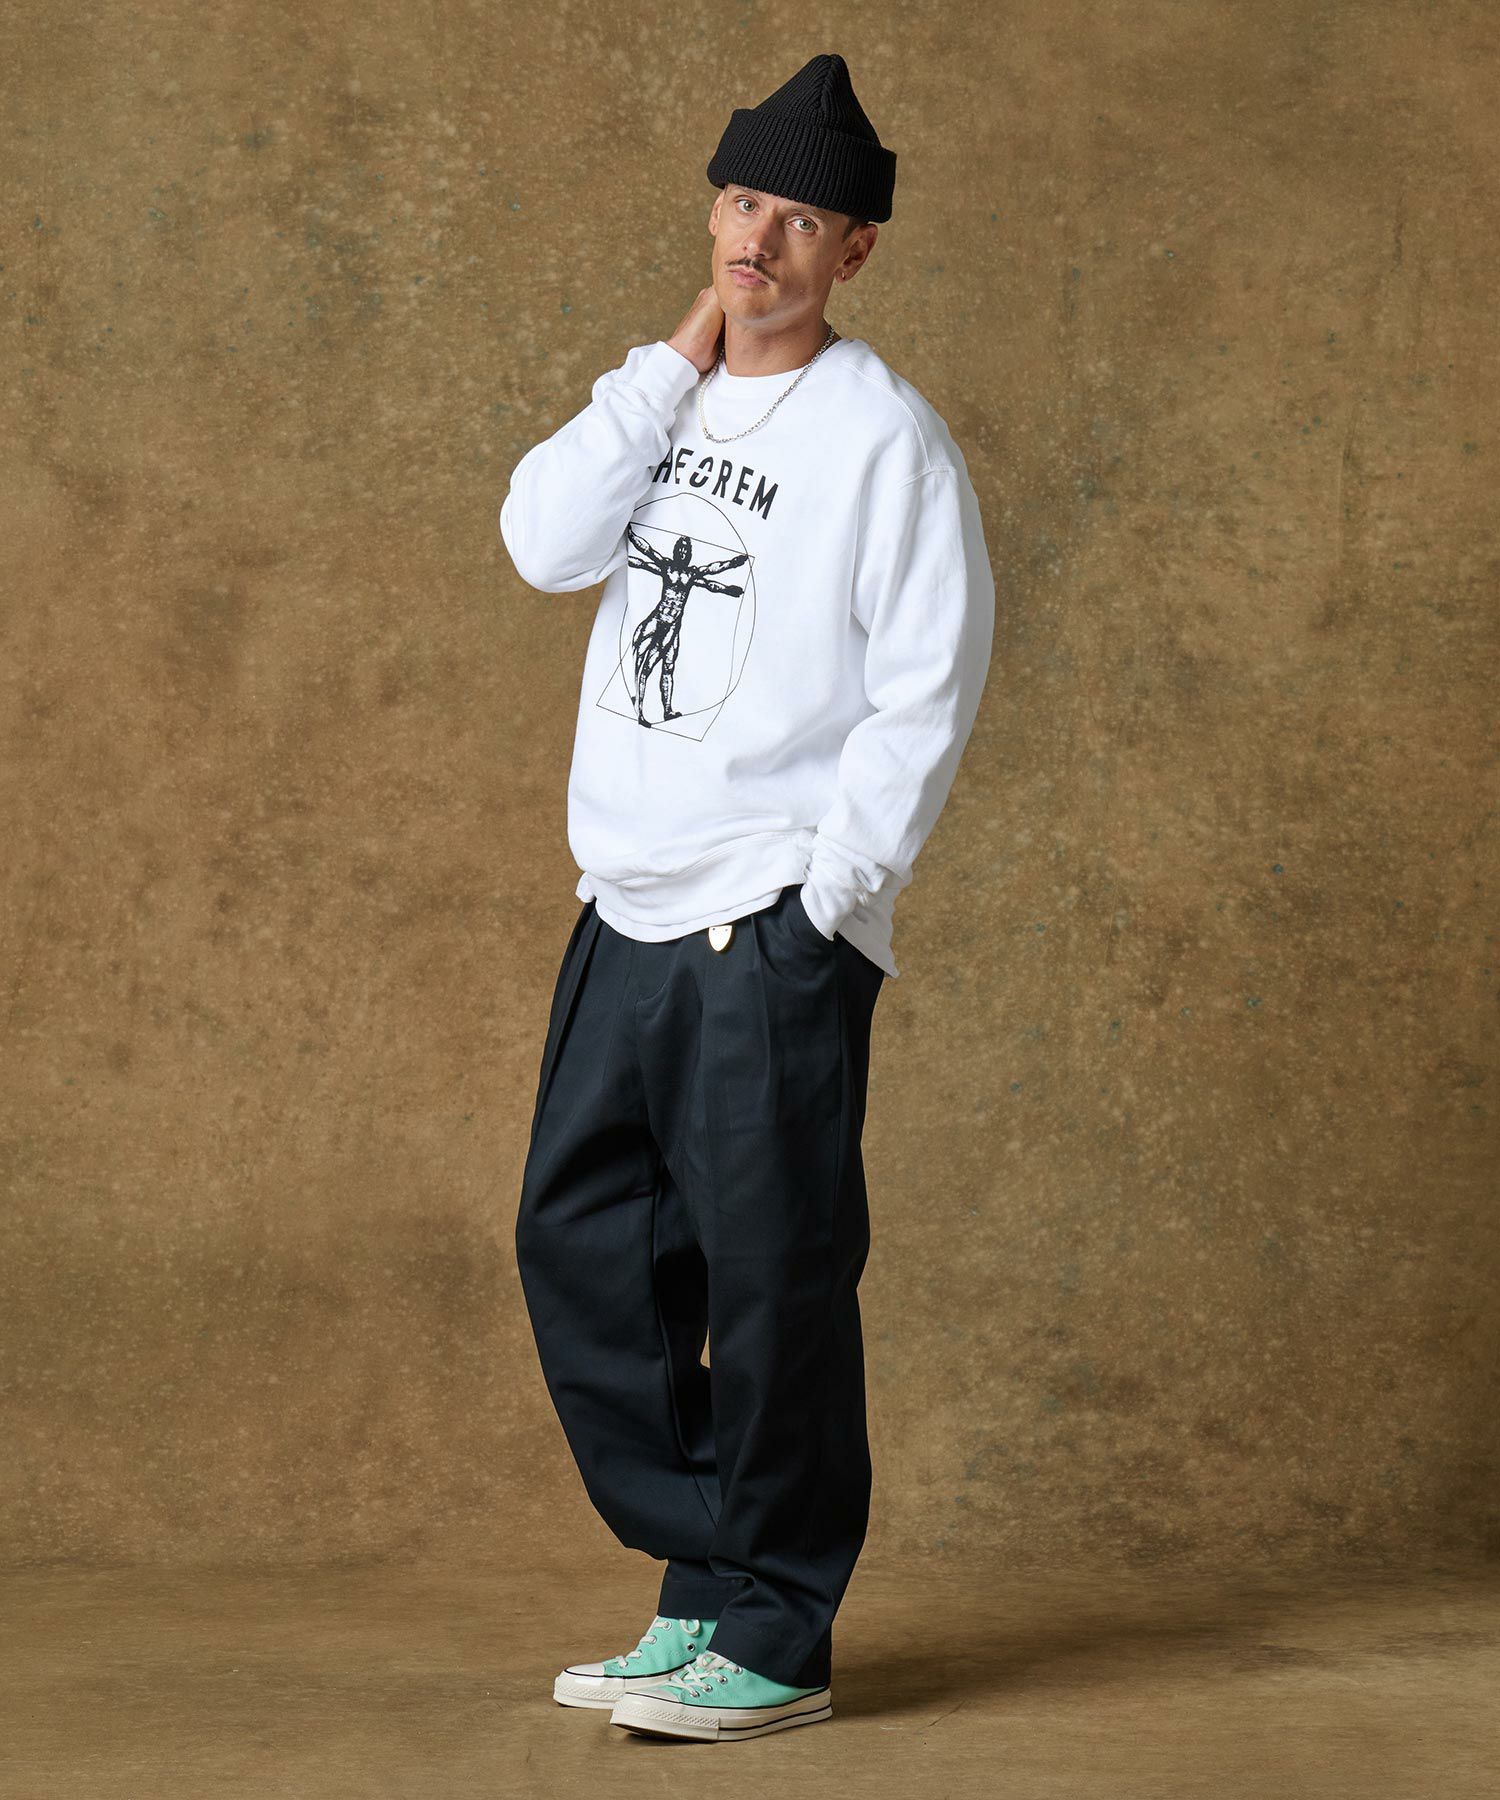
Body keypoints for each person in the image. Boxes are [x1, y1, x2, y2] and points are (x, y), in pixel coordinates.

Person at [498, 51, 995, 1743]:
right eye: (738, 201)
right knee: (586, 1254)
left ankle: (779, 1635)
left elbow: (926, 691)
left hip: (763, 923)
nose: (758, 240)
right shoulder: (668, 404)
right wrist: (671, 363)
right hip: (623, 905)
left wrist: (824, 905)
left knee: (774, 1281)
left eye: (796, 218)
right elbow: (543, 542)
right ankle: (711, 1581)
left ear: (855, 249)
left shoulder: (885, 442)